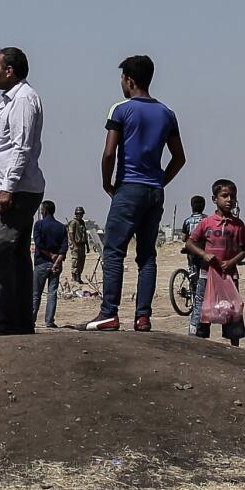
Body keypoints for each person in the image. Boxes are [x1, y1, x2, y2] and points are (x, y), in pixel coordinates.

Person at [79, 55, 186, 332]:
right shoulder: (167, 113)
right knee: (147, 255)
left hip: (129, 187)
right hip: (154, 190)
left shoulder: (121, 109)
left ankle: (109, 313)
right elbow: (179, 157)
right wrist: (161, 180)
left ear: (129, 79)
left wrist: (107, 183)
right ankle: (142, 316)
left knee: (114, 251)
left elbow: (108, 153)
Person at [0, 47, 45, 336]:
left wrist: (7, 190)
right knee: (18, 256)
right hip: (13, 189)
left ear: (9, 70)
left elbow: (22, 148)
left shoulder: (23, 100)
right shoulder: (11, 100)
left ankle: (6, 323)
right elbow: (0, 153)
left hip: (18, 190)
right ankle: (20, 323)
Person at [184, 179, 245, 346]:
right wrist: (204, 255)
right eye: (224, 196)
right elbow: (190, 243)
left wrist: (232, 262)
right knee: (202, 306)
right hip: (207, 274)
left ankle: (234, 344)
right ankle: (198, 341)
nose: (229, 200)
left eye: (232, 197)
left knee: (231, 307)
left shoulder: (237, 225)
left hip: (229, 276)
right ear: (215, 199)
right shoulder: (206, 223)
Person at [31, 200, 68, 328]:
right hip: (56, 265)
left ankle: (31, 320)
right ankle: (49, 321)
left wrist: (50, 255)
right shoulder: (61, 227)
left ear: (44, 211)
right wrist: (56, 261)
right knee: (52, 293)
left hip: (41, 263)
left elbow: (39, 243)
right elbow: (64, 247)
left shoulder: (39, 225)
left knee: (36, 294)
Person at [181, 195, 207, 331]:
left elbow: (184, 238)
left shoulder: (187, 221)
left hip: (191, 252)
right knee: (203, 276)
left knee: (193, 274)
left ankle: (193, 295)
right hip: (203, 252)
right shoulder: (207, 219)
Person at [66, 206, 90, 284]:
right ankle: (74, 276)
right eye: (79, 214)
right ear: (76, 214)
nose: (80, 215)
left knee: (81, 261)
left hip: (82, 244)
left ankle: (79, 276)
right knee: (75, 260)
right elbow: (71, 234)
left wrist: (87, 245)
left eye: (81, 214)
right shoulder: (73, 222)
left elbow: (84, 234)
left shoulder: (82, 222)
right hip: (75, 244)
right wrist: (74, 245)